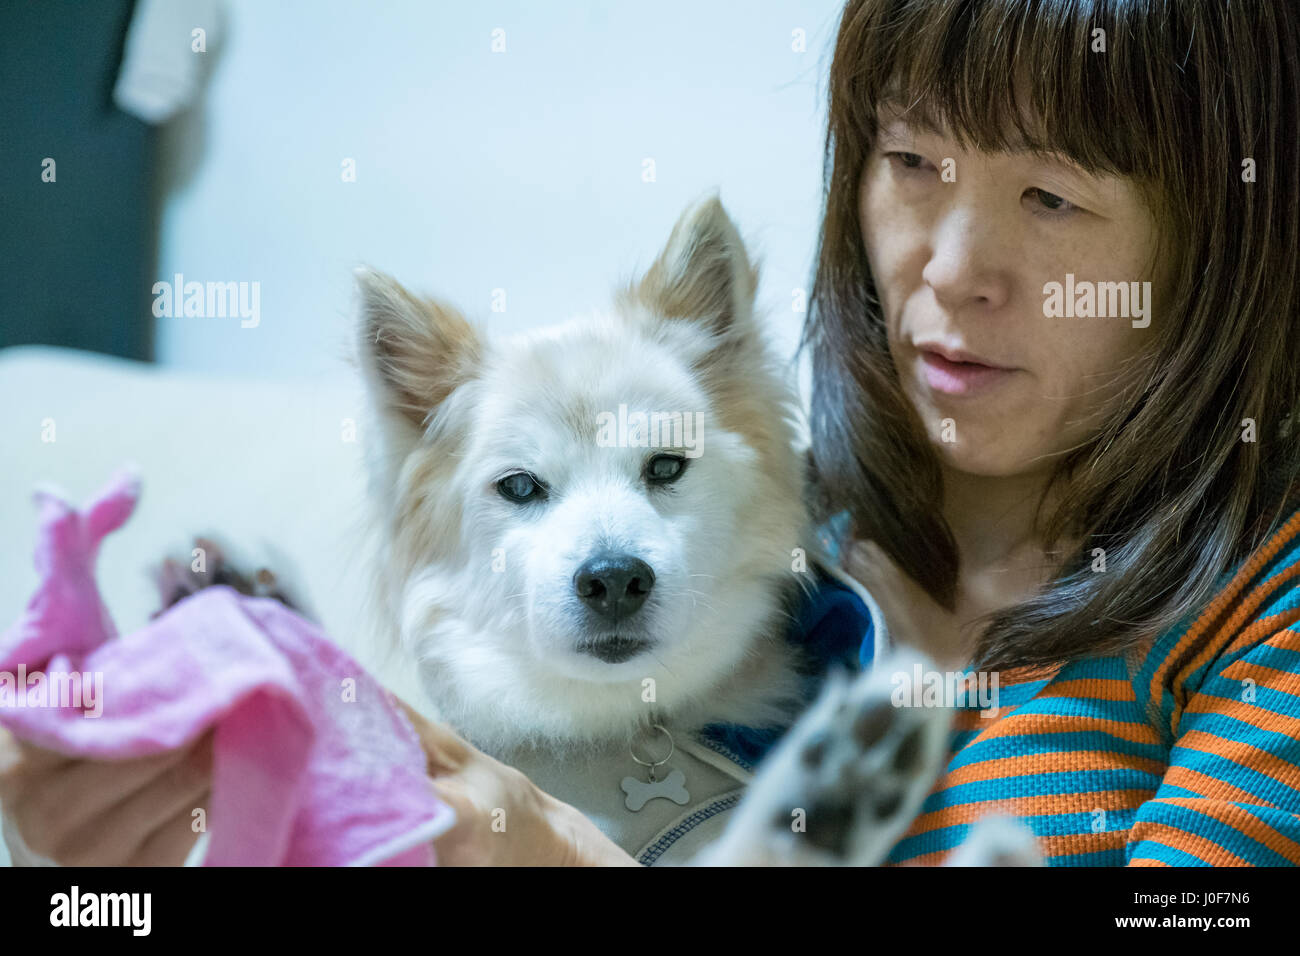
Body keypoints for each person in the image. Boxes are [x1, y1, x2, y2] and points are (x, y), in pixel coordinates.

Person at [3, 0, 1297, 866]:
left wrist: (542, 849)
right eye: (913, 162)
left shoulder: (1264, 612)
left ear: (1221, 239)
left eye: (1052, 196)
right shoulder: (783, 534)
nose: (951, 270)